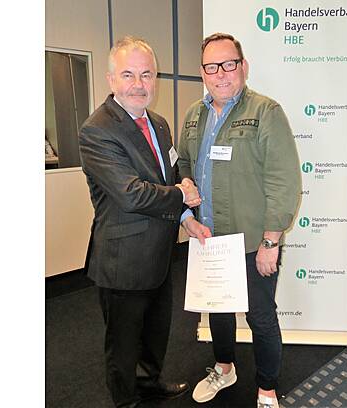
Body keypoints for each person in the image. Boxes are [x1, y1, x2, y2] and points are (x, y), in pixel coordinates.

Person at [178, 33, 302, 408]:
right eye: (211, 66)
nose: (221, 73)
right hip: (209, 239)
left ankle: (267, 389)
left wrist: (270, 241)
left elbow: (283, 180)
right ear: (202, 72)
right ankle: (224, 368)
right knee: (217, 311)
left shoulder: (265, 112)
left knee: (260, 318)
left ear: (243, 66)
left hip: (252, 242)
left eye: (229, 64)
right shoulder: (194, 115)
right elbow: (184, 163)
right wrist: (186, 185)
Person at [78, 36, 201, 408]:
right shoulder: (97, 129)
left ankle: (150, 383)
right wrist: (181, 195)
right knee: (123, 343)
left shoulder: (159, 124)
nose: (138, 84)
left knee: (155, 331)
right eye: (128, 74)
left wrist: (185, 214)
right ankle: (126, 401)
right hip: (124, 260)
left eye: (146, 74)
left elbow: (170, 173)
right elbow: (131, 193)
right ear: (111, 79)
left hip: (160, 254)